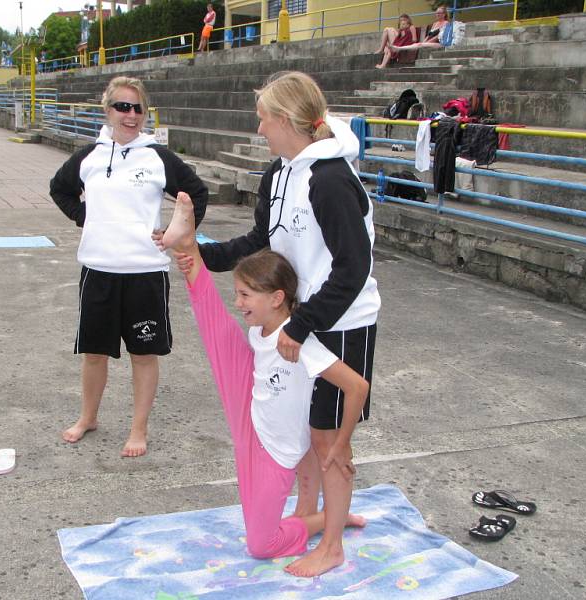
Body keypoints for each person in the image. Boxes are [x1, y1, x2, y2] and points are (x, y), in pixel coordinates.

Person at [184, 71, 381, 577]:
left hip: (341, 323)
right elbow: (260, 240)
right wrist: (203, 257)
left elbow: (353, 269)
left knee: (328, 441)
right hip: (306, 319)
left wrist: (299, 326)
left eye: (264, 118)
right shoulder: (280, 172)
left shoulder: (333, 180)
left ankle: (332, 544)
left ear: (290, 120)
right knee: (306, 431)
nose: (259, 128)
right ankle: (311, 515)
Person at [160, 193, 368, 568]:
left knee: (261, 544)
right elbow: (226, 328)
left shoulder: (300, 342)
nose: (238, 303)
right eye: (237, 293)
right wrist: (194, 264)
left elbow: (357, 387)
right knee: (218, 334)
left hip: (275, 452)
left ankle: (329, 521)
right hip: (251, 423)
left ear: (276, 298)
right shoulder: (261, 330)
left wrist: (341, 442)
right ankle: (188, 246)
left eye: (244, 295)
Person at [49, 76, 209, 457]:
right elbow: (59, 188)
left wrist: (175, 232)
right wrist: (84, 216)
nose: (131, 114)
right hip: (99, 270)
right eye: (123, 106)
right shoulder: (89, 155)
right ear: (107, 111)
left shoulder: (156, 157)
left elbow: (196, 194)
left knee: (143, 354)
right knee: (94, 353)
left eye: (138, 108)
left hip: (144, 274)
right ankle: (88, 417)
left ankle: (139, 429)